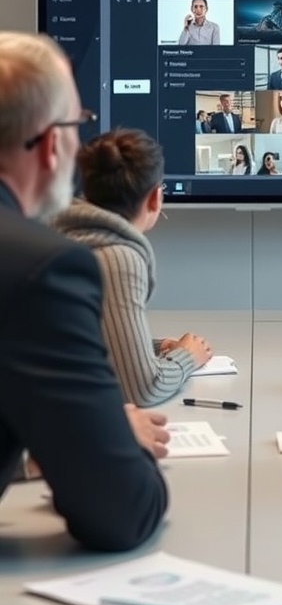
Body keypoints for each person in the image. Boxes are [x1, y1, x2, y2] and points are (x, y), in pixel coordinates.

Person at [0, 32, 169, 551]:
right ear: (53, 144)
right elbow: (123, 512)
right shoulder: (39, 268)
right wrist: (105, 436)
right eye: (79, 124)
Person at [54, 129, 213, 407]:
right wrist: (189, 356)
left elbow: (82, 340)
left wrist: (155, 347)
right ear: (155, 198)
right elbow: (143, 389)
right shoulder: (117, 257)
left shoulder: (63, 233)